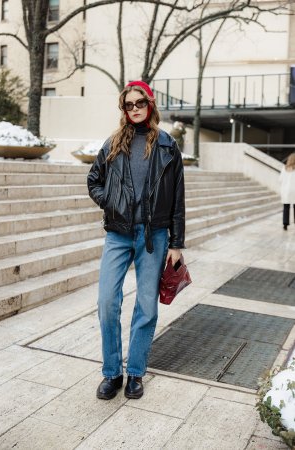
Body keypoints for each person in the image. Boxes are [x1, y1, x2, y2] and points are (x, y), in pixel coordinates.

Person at [87, 80, 185, 400]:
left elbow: (178, 200)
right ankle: (112, 372)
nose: (135, 109)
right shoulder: (113, 143)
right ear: (124, 109)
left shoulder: (168, 147)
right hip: (118, 233)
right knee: (106, 302)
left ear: (150, 104)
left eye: (139, 103)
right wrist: (111, 200)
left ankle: (136, 373)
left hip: (153, 236)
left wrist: (176, 243)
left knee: (146, 306)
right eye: (128, 105)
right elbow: (94, 181)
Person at [279, 152, 295, 230]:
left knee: (286, 207)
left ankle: (285, 224)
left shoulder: (284, 169)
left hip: (286, 190)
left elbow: (280, 180)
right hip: (294, 190)